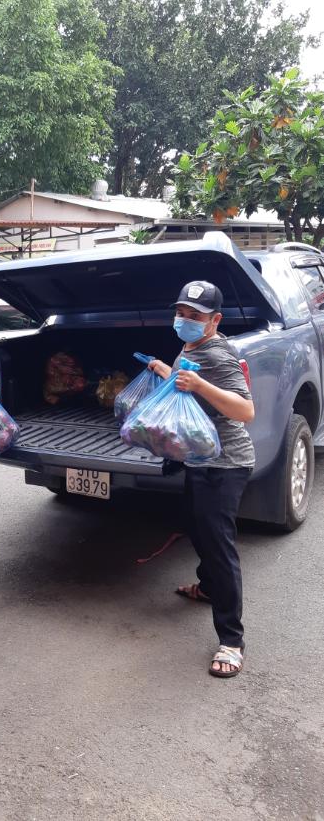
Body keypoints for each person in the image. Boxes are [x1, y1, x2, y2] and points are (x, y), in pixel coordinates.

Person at [148, 281, 255, 678]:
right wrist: (167, 372)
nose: (186, 321)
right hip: (198, 459)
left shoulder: (219, 354)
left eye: (196, 316)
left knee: (218, 544)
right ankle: (207, 588)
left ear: (215, 320)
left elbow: (245, 411)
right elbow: (186, 391)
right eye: (182, 313)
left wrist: (200, 384)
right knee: (195, 527)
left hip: (225, 464)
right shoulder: (189, 346)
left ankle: (232, 640)